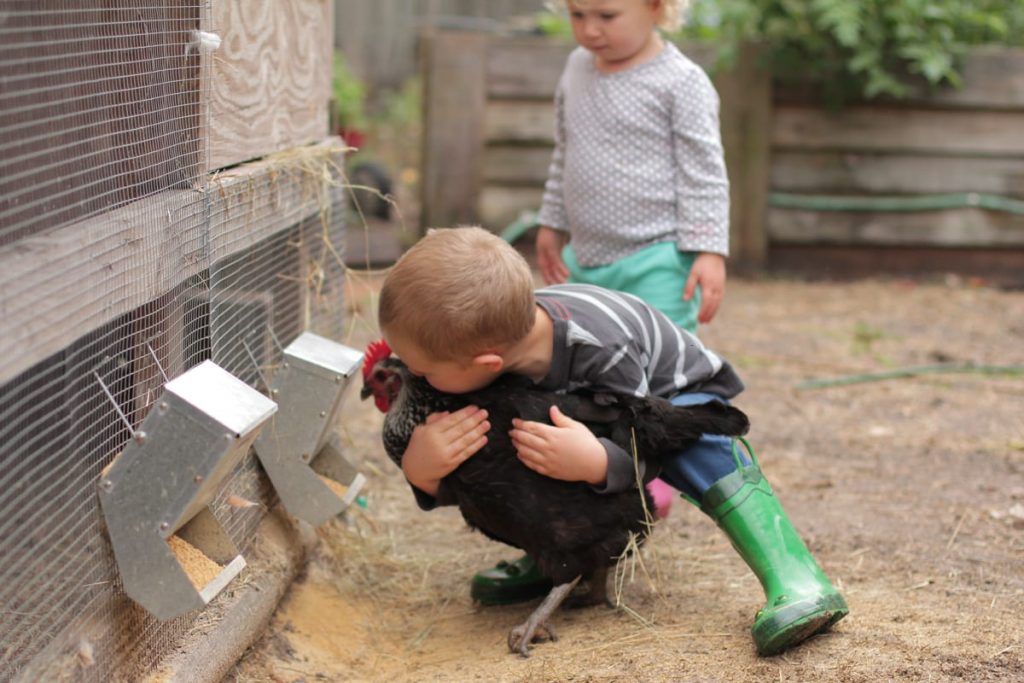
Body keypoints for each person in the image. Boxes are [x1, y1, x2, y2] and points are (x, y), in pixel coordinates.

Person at [378, 227, 848, 656]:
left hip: (668, 396)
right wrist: (422, 472)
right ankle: (556, 562)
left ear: (485, 363)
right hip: (597, 400)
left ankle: (793, 573)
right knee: (522, 445)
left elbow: (646, 436)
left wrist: (597, 463)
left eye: (423, 370)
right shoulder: (494, 336)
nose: (417, 377)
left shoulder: (603, 350)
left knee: (693, 450)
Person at [526, 0, 732, 589]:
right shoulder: (575, 69)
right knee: (592, 379)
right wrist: (551, 220)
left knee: (659, 383)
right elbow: (564, 153)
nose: (590, 30)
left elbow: (704, 171)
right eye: (577, 14)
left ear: (659, 8)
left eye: (607, 15)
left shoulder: (681, 82)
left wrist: (708, 249)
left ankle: (659, 474)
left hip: (660, 260)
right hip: (590, 264)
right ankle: (604, 481)